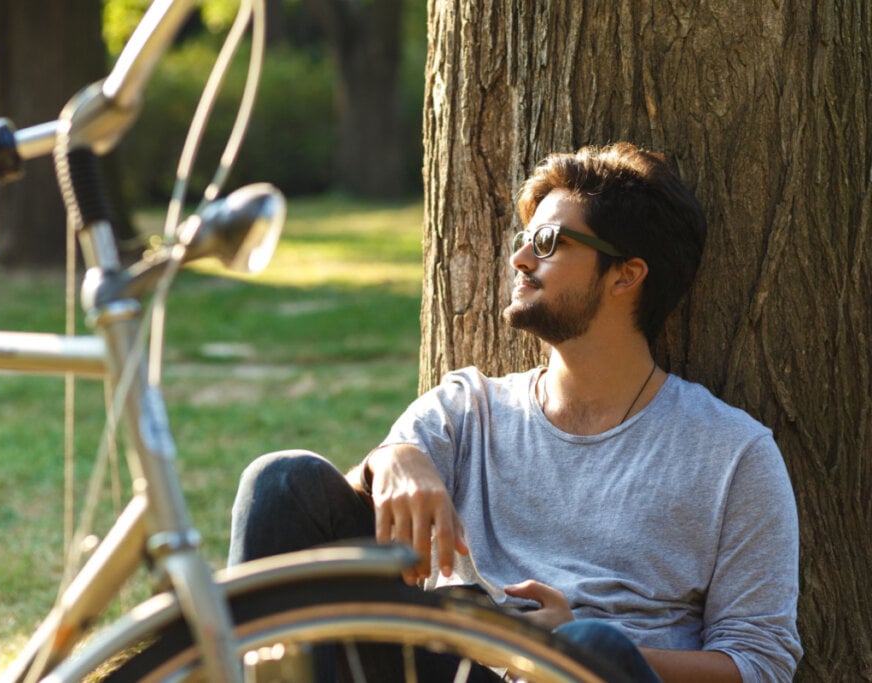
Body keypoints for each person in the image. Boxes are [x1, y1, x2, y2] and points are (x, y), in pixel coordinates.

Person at [229, 142, 802, 682]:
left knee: (592, 650)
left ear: (626, 274)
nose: (521, 257)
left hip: (596, 671)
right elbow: (338, 514)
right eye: (525, 238)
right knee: (283, 481)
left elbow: (760, 662)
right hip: (450, 660)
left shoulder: (732, 452)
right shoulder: (468, 407)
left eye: (549, 241)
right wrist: (392, 458)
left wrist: (568, 641)